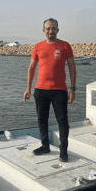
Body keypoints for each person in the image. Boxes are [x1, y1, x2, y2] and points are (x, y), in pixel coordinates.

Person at [23, 18, 76, 162]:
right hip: (40, 90)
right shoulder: (38, 46)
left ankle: (63, 150)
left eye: (53, 28)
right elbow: (32, 67)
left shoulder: (65, 46)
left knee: (62, 120)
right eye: (48, 28)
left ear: (57, 30)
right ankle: (45, 145)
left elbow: (72, 67)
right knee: (42, 119)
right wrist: (28, 88)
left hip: (59, 90)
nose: (51, 31)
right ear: (43, 30)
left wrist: (73, 88)